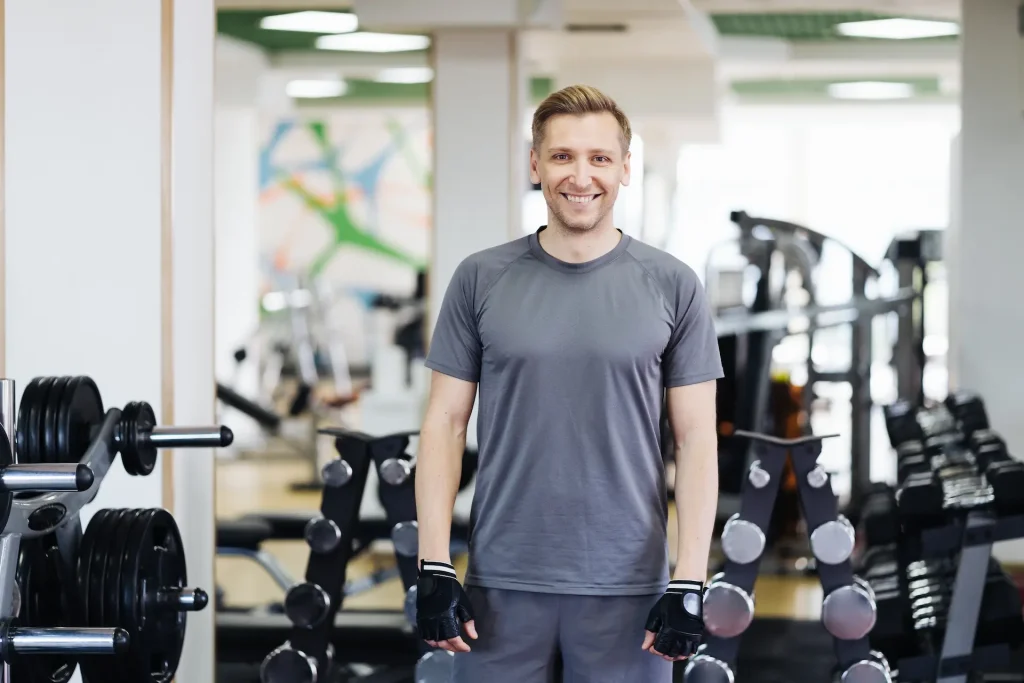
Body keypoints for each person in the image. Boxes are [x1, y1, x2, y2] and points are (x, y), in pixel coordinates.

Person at [413, 84, 723, 683]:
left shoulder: (672, 284)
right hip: (500, 584)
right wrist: (434, 564)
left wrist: (689, 579)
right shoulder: (480, 278)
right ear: (535, 164)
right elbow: (444, 423)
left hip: (630, 589)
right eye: (562, 156)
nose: (581, 176)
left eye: (599, 158)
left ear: (625, 168)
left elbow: (696, 440)